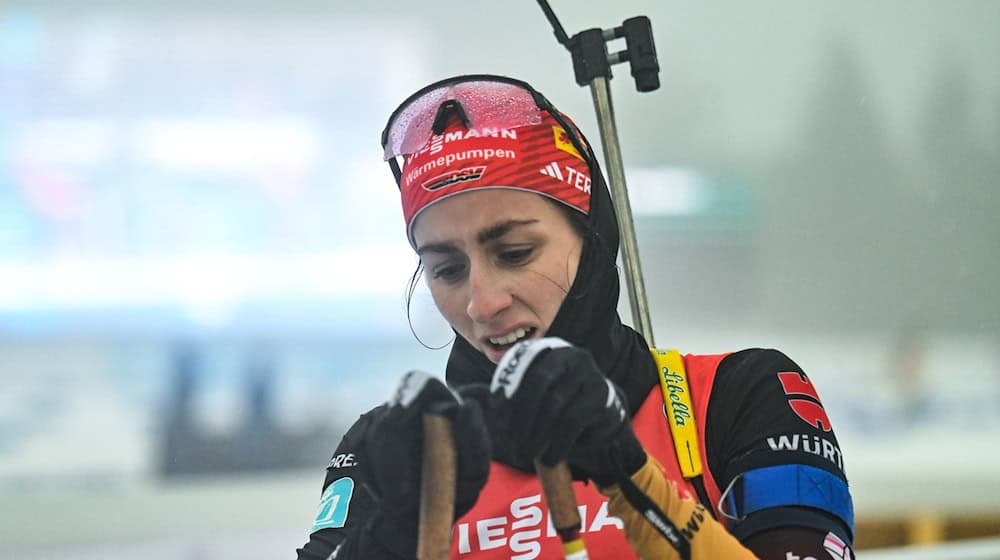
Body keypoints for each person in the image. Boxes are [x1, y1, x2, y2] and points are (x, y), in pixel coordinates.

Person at [297, 75, 855, 560]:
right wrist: (389, 538)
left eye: (514, 253)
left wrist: (626, 471)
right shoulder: (397, 446)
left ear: (591, 241)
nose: (482, 302)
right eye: (447, 269)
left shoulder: (736, 397)